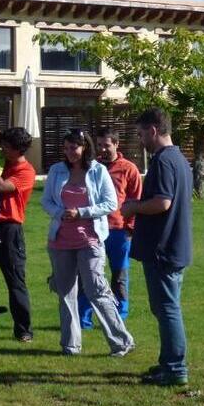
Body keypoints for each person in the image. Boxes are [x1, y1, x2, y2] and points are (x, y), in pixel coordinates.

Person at [41, 129, 135, 356]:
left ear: (84, 148)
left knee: (97, 290)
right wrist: (60, 212)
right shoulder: (56, 170)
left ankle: (122, 342)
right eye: (66, 148)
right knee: (66, 293)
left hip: (90, 240)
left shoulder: (97, 170)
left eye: (73, 147)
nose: (69, 152)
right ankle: (70, 345)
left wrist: (81, 212)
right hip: (60, 241)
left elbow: (110, 203)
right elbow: (46, 201)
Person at [121, 108, 192, 386]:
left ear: (153, 130)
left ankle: (175, 368)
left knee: (167, 309)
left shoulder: (163, 161)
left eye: (141, 134)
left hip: (163, 248)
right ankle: (168, 363)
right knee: (165, 307)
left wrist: (133, 207)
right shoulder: (179, 159)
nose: (140, 140)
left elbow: (162, 202)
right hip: (174, 245)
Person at [78, 127, 142, 328]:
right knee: (89, 275)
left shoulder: (128, 169)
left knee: (119, 275)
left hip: (118, 231)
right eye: (99, 145)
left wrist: (130, 228)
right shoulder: (91, 167)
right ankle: (83, 319)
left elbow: (136, 199)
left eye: (106, 145)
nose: (102, 149)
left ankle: (119, 316)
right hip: (93, 229)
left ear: (116, 144)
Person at [0, 127, 36, 342]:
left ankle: (23, 330)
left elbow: (1, 187)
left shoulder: (26, 171)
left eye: (7, 147)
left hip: (10, 229)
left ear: (19, 149)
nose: (2, 149)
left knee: (15, 281)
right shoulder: (4, 161)